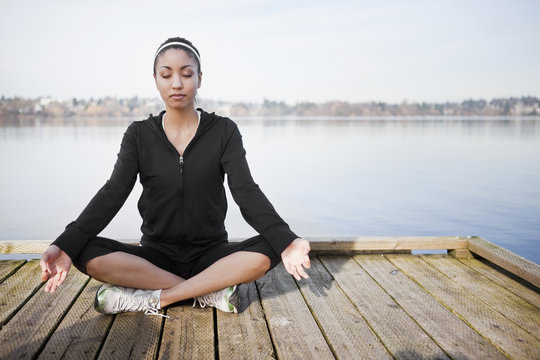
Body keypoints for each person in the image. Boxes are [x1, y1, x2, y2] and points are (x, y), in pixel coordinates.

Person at [39, 37, 310, 316]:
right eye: (166, 75)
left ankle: (155, 298)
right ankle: (209, 292)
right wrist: (65, 243)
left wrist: (287, 240)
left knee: (273, 245)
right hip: (155, 258)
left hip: (212, 255)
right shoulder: (139, 135)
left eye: (187, 73)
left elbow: (247, 192)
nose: (177, 83)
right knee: (84, 251)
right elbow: (112, 193)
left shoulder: (224, 131)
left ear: (200, 78)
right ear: (156, 80)